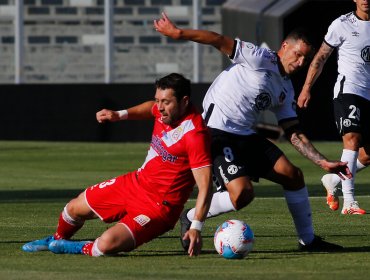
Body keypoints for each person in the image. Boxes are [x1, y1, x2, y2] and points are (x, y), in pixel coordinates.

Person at [154, 13, 352, 251]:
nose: (300, 63)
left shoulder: (286, 88)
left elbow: (293, 131)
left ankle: (308, 241)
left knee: (293, 176)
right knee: (242, 194)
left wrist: (322, 162)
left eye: (306, 59)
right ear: (284, 47)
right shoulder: (259, 57)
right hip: (215, 132)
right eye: (297, 54)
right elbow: (218, 39)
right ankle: (191, 216)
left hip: (244, 135)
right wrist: (179, 33)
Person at [22, 73, 213, 257]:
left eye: (166, 102)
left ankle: (74, 247)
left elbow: (205, 187)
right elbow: (150, 109)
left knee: (106, 244)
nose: (160, 107)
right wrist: (119, 114)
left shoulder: (195, 135)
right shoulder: (164, 111)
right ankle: (56, 239)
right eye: (158, 100)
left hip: (158, 208)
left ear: (184, 101)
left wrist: (196, 227)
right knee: (73, 209)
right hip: (135, 183)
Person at [298, 0, 369, 215]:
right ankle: (349, 202)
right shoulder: (342, 24)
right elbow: (320, 57)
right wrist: (306, 88)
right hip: (349, 90)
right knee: (352, 139)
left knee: (366, 156)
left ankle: (332, 178)